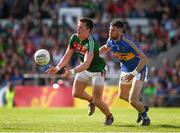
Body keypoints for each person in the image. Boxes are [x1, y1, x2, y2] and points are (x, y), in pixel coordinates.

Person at [46, 17, 114, 125]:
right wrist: (58, 68)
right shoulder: (74, 38)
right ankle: (90, 101)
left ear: (88, 30)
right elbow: (68, 54)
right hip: (84, 68)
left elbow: (87, 64)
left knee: (98, 100)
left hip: (97, 70)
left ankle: (109, 116)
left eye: (81, 28)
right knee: (76, 93)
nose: (78, 29)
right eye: (77, 27)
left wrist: (71, 72)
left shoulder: (91, 43)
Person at [99, 18, 150, 126]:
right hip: (125, 70)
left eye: (113, 30)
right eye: (109, 30)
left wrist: (133, 74)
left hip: (139, 70)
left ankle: (145, 117)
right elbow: (105, 47)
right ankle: (141, 107)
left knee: (132, 100)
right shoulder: (110, 40)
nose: (110, 32)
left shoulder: (128, 43)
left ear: (120, 31)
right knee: (122, 96)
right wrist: (93, 55)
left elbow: (144, 59)